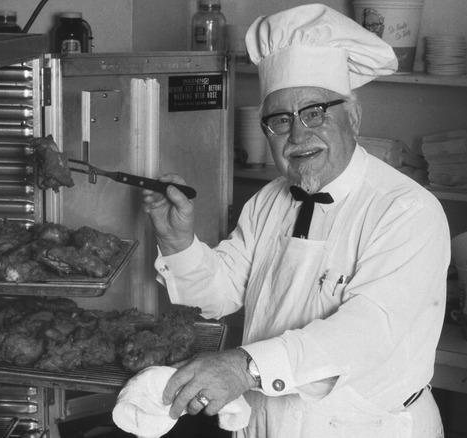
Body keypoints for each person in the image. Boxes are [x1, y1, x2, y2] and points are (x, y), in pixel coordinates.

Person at [141, 4, 450, 438]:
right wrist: (178, 242)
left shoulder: (405, 210)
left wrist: (243, 368)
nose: (299, 135)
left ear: (354, 117)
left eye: (316, 112)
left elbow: (367, 333)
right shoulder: (269, 200)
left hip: (365, 428)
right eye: (280, 120)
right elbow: (220, 294)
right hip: (268, 421)